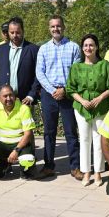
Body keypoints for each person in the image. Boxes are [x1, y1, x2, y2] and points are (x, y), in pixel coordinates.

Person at [66, 34, 109, 186]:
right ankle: (86, 172)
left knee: (99, 139)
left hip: (101, 107)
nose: (88, 48)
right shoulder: (76, 67)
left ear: (97, 47)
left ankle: (98, 173)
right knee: (85, 139)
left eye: (91, 45)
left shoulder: (105, 65)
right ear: (82, 48)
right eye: (86, 45)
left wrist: (99, 98)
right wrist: (82, 100)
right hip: (81, 107)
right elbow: (70, 89)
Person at [36, 15, 82, 180]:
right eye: (53, 26)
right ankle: (48, 166)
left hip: (68, 94)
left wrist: (64, 90)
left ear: (64, 27)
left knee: (71, 132)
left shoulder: (74, 47)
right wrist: (51, 90)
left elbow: (76, 73)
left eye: (58, 26)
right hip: (49, 95)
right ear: (49, 29)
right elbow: (40, 73)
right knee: (49, 132)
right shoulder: (43, 49)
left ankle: (75, 167)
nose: (56, 29)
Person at [0, 17, 40, 105]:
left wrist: (31, 95)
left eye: (18, 32)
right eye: (12, 32)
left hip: (25, 100)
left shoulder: (33, 49)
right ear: (8, 32)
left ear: (23, 31)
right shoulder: (0, 50)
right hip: (4, 99)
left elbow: (38, 75)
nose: (15, 35)